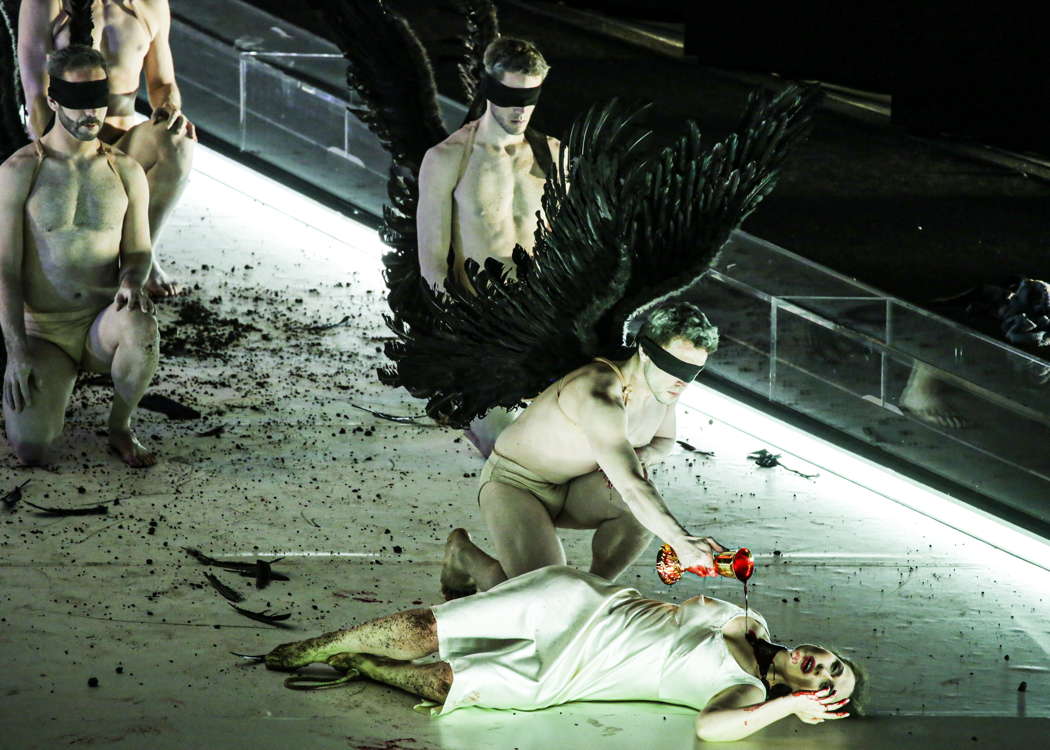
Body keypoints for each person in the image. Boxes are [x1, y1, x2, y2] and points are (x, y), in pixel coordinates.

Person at [261, 566, 861, 742]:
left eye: (829, 684)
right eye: (834, 662)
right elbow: (682, 594)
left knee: (451, 684)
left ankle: (368, 665)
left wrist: (787, 708)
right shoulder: (749, 617)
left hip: (570, 675)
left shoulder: (750, 695)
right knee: (430, 627)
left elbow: (711, 728)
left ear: (807, 698)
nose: (823, 668)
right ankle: (325, 643)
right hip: (576, 606)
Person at [439, 301, 727, 599]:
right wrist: (681, 541)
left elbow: (664, 442)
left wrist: (644, 456)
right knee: (541, 596)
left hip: (575, 487)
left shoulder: (663, 390)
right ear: (644, 351)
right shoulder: (598, 394)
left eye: (693, 371)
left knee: (639, 517)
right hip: (517, 484)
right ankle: (463, 555)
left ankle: (591, 592)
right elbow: (630, 486)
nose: (682, 382)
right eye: (675, 366)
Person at [0, 44, 159, 467]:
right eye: (78, 103)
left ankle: (120, 427)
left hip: (100, 324)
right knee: (32, 450)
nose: (91, 114)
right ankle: (48, 391)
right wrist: (16, 352)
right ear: (53, 99)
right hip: (45, 332)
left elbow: (139, 250)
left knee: (142, 325)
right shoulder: (20, 172)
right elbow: (4, 270)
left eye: (98, 101)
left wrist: (132, 280)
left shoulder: (125, 171)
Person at [416, 36, 560, 457]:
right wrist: (456, 336)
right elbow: (431, 256)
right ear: (489, 89)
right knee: (507, 451)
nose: (520, 110)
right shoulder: (449, 158)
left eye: (529, 97)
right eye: (511, 97)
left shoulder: (552, 155)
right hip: (483, 325)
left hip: (544, 321)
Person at [18, 0, 195, 297]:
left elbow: (163, 83)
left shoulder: (151, 4)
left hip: (124, 148)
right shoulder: (46, 3)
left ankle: (141, 256)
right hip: (65, 142)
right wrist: (58, 152)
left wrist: (170, 109)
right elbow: (36, 95)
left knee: (176, 140)